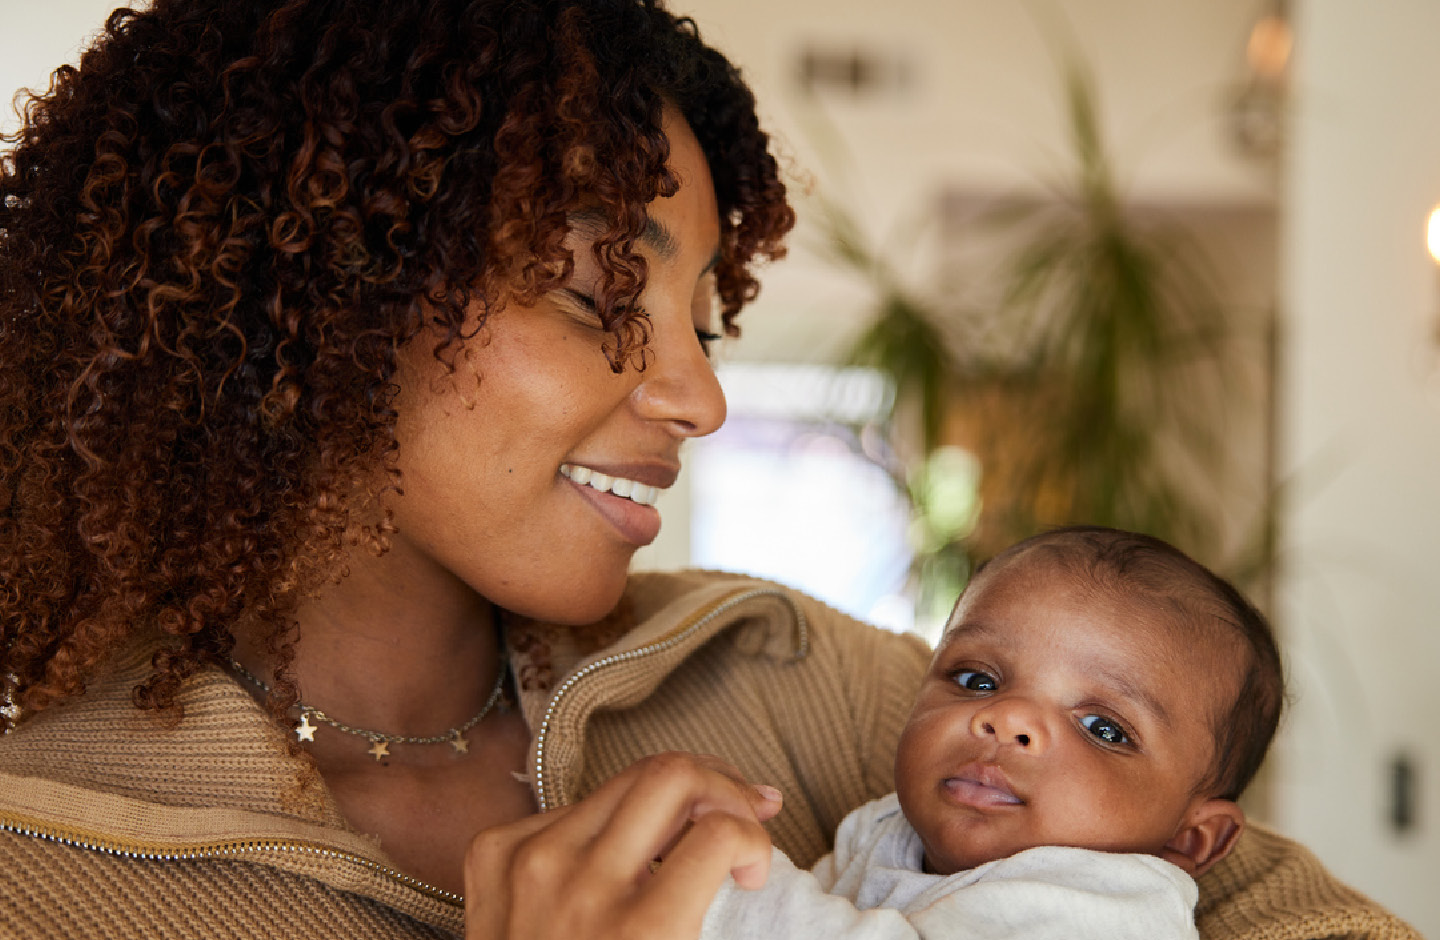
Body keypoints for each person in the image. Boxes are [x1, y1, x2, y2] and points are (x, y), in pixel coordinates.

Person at [0, 2, 1417, 939]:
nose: (698, 395)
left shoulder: (799, 681)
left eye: (700, 320)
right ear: (311, 292)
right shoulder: (41, 870)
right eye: (594, 293)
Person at [699, 526, 1280, 939]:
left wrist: (724, 870)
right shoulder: (885, 829)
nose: (1008, 718)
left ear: (1189, 841)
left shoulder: (1109, 909)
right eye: (978, 679)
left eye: (1104, 727)